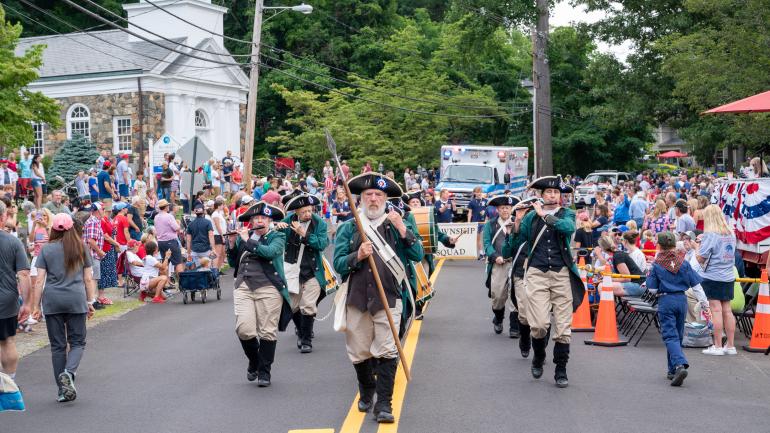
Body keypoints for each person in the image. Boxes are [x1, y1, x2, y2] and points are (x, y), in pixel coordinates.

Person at [333, 173, 423, 423]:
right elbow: (339, 264)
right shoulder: (349, 227)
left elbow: (417, 254)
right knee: (359, 352)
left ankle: (384, 403)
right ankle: (366, 390)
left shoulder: (398, 223)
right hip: (357, 299)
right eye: (368, 195)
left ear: (386, 199)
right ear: (360, 199)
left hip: (390, 298)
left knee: (387, 350)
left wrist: (403, 229)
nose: (373, 199)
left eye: (379, 195)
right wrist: (357, 256)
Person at [505, 175, 584, 388]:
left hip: (561, 273)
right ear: (541, 195)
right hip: (537, 273)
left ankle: (561, 369)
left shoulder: (567, 213)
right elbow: (516, 243)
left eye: (556, 192)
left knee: (563, 328)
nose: (552, 195)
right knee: (539, 325)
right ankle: (538, 356)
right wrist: (518, 221)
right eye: (548, 192)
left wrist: (545, 216)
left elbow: (568, 229)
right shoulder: (531, 217)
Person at [31, 213, 96, 402]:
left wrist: (36, 305)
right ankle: (69, 372)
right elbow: (88, 278)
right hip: (76, 299)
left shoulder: (46, 250)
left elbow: (39, 280)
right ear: (71, 229)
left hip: (52, 301)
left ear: (53, 229)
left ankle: (62, 391)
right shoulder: (81, 247)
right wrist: (90, 302)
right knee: (77, 342)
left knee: (57, 346)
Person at [226, 201, 291, 387]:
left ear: (269, 220)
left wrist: (248, 240)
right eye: (256, 218)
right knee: (244, 329)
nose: (259, 221)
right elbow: (233, 263)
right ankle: (254, 361)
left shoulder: (277, 236)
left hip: (268, 287)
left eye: (263, 218)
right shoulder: (243, 237)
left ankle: (264, 372)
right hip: (243, 286)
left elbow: (269, 253)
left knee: (267, 331)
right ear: (251, 221)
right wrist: (232, 244)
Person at [645, 231, 709, 386]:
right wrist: (704, 303)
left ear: (659, 245)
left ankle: (680, 365)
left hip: (666, 300)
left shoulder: (656, 265)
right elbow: (696, 285)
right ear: (674, 245)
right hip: (682, 299)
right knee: (677, 336)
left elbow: (652, 290)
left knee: (669, 336)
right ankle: (672, 370)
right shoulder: (684, 263)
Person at [275, 193, 329, 353]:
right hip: (293, 271)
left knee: (308, 305)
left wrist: (304, 234)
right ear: (296, 212)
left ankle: (306, 340)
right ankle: (302, 331)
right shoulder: (287, 222)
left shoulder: (319, 223)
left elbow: (322, 244)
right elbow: (276, 242)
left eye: (310, 210)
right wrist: (278, 229)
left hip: (313, 271)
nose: (308, 214)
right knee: (293, 307)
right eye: (304, 211)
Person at [697, 205, 738, 355]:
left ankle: (718, 346)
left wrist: (697, 245)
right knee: (727, 310)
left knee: (716, 311)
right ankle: (731, 345)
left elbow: (701, 258)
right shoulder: (731, 233)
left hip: (712, 276)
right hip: (728, 275)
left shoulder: (710, 235)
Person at [0, 200, 33, 382]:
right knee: (7, 340)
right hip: (6, 299)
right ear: (4, 217)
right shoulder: (13, 242)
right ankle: (10, 382)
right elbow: (24, 274)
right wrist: (27, 304)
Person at [482, 195, 519, 336]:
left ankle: (514, 327)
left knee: (516, 294)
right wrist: (494, 256)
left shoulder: (518, 222)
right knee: (497, 296)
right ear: (498, 209)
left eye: (508, 208)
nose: (505, 210)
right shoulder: (490, 225)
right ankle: (498, 318)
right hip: (499, 264)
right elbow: (486, 243)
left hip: (515, 262)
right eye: (503, 208)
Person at [508, 197, 538, 356]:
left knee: (543, 316)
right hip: (521, 274)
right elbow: (509, 250)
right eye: (523, 213)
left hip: (542, 274)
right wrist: (517, 223)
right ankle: (525, 338)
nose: (527, 216)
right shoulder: (518, 229)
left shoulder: (544, 225)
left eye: (529, 212)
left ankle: (540, 350)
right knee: (525, 313)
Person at [82, 203, 111, 307]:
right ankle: (92, 301)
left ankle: (93, 299)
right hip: (92, 254)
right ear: (97, 210)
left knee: (94, 277)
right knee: (93, 277)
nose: (104, 211)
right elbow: (91, 240)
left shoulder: (95, 221)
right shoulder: (93, 222)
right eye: (102, 209)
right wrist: (99, 251)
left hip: (92, 254)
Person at [126, 239, 169, 303]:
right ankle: (156, 297)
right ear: (155, 250)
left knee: (164, 297)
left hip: (146, 281)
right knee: (164, 278)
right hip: (147, 281)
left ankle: (144, 293)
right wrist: (167, 257)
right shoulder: (150, 258)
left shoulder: (147, 257)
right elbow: (163, 267)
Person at [154, 200, 185, 277]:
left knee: (165, 262)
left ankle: (166, 283)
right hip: (170, 241)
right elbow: (176, 228)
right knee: (178, 262)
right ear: (166, 207)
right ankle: (182, 283)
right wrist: (178, 224)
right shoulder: (169, 216)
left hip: (161, 242)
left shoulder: (156, 217)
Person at [467, 187, 487, 259]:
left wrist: (487, 218)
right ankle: (481, 253)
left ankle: (486, 252)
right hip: (476, 222)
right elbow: (470, 213)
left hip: (484, 222)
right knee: (478, 239)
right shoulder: (472, 202)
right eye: (477, 192)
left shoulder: (486, 201)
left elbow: (488, 212)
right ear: (474, 193)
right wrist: (469, 222)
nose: (479, 193)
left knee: (485, 238)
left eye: (480, 192)